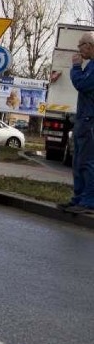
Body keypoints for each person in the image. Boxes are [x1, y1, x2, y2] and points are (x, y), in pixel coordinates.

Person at [65, 31, 94, 214]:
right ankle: (79, 198)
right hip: (84, 119)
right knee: (78, 160)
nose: (79, 49)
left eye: (80, 45)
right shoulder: (91, 65)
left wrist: (76, 67)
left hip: (90, 121)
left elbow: (82, 84)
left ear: (90, 46)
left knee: (87, 162)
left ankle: (88, 201)